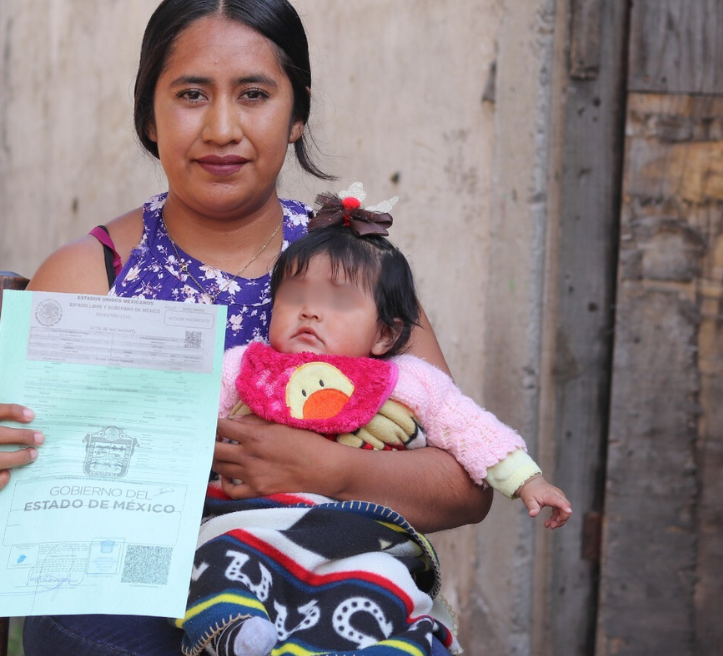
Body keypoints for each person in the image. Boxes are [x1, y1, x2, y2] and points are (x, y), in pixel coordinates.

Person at [0, 0, 491, 656]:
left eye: (255, 95)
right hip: (122, 609)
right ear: (149, 114)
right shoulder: (92, 277)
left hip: (315, 591)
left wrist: (320, 469)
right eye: (190, 94)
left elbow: (465, 486)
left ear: (297, 114)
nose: (222, 128)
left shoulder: (353, 271)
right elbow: (35, 514)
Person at [179, 188, 572, 656]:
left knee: (384, 581)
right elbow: (187, 415)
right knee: (216, 553)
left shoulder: (407, 380)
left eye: (338, 301)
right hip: (253, 525)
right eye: (295, 296)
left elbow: (468, 428)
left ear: (385, 334)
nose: (310, 309)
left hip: (355, 538)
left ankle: (384, 646)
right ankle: (237, 633)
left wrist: (526, 479)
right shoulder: (244, 367)